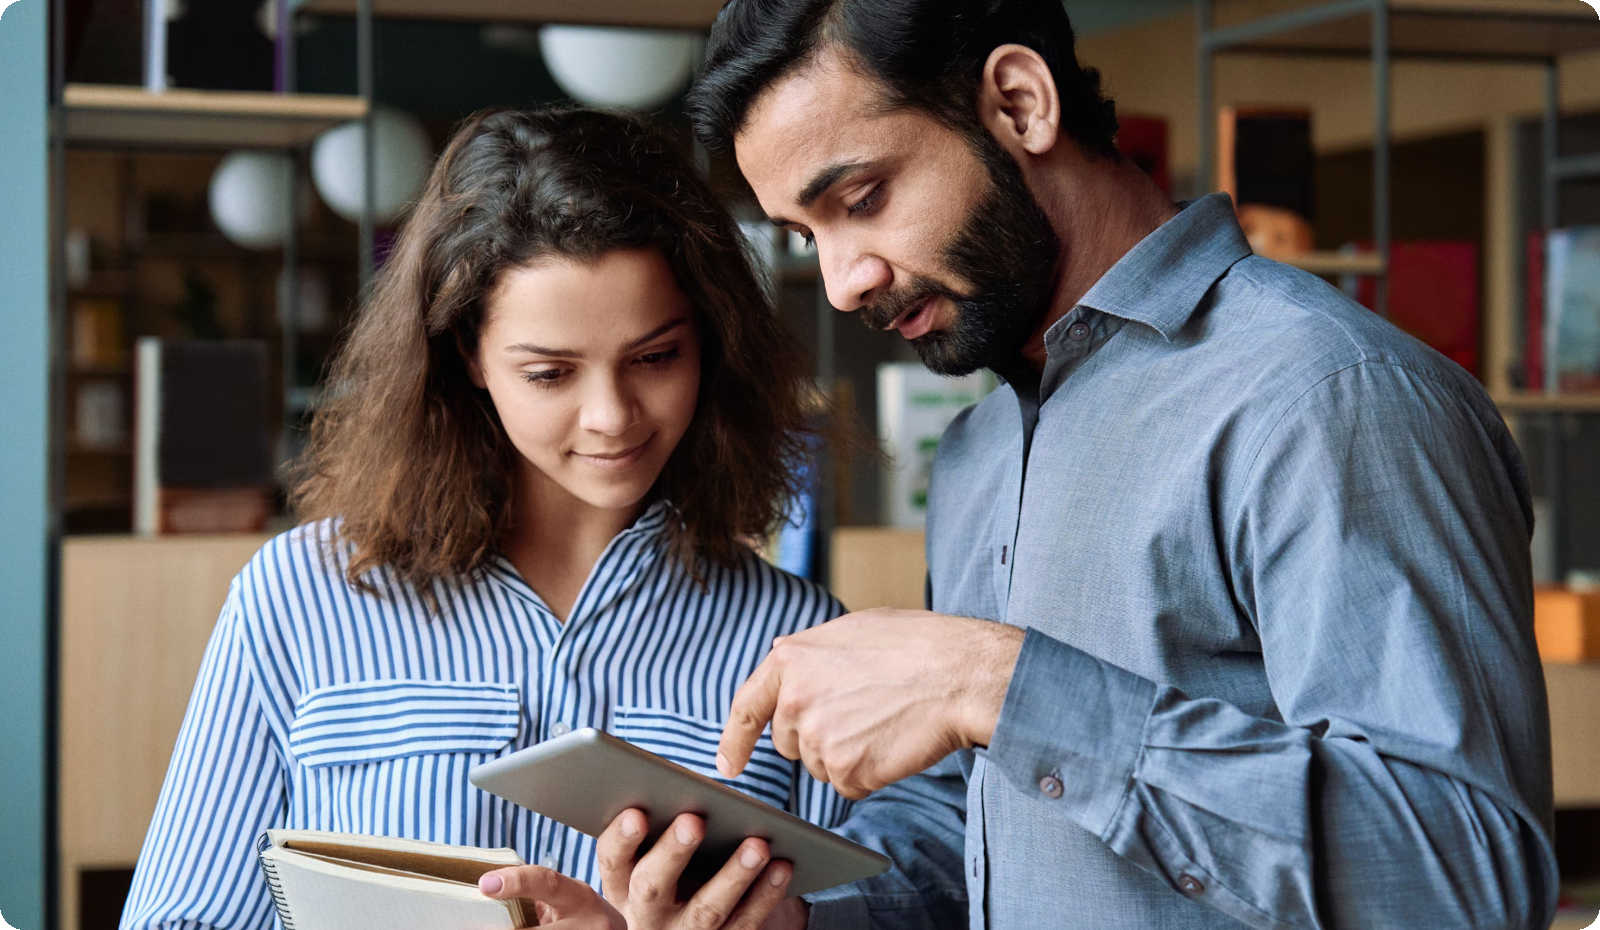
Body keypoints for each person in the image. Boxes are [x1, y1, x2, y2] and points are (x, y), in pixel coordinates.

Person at [656, 0, 1562, 927]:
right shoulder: (979, 452)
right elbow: (978, 820)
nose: (846, 281)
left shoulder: (1331, 397)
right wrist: (798, 917)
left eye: (862, 200)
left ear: (1019, 104)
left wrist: (993, 682)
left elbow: (1462, 877)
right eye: (811, 237)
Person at [119, 107, 853, 930]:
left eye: (654, 358)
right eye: (549, 373)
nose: (612, 416)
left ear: (710, 345)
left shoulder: (799, 642)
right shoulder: (297, 598)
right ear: (467, 352)